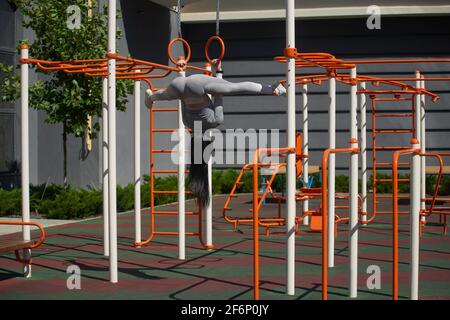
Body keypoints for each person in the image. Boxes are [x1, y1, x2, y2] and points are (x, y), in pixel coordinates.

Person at [145, 59, 286, 207]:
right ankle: (151, 97)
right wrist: (181, 73)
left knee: (235, 88)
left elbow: (220, 95)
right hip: (178, 87)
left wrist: (217, 72)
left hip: (199, 85)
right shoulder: (187, 123)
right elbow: (182, 100)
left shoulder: (214, 121)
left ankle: (272, 89)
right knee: (164, 96)